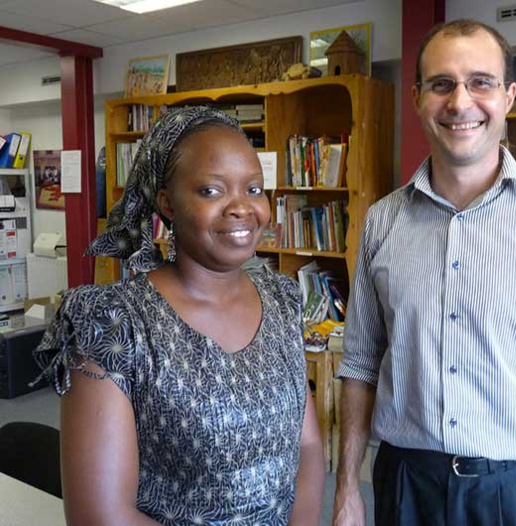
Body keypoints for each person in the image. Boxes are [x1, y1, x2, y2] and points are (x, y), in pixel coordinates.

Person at [332, 19, 516, 526]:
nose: (460, 102)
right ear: (418, 97)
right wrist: (346, 493)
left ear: (509, 96)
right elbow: (359, 365)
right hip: (406, 487)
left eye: (480, 82)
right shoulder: (382, 221)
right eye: (442, 84)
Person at [34, 106, 325, 526]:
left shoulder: (282, 298)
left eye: (254, 189)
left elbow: (309, 446)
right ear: (167, 202)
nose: (242, 208)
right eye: (211, 191)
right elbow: (101, 516)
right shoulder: (113, 322)